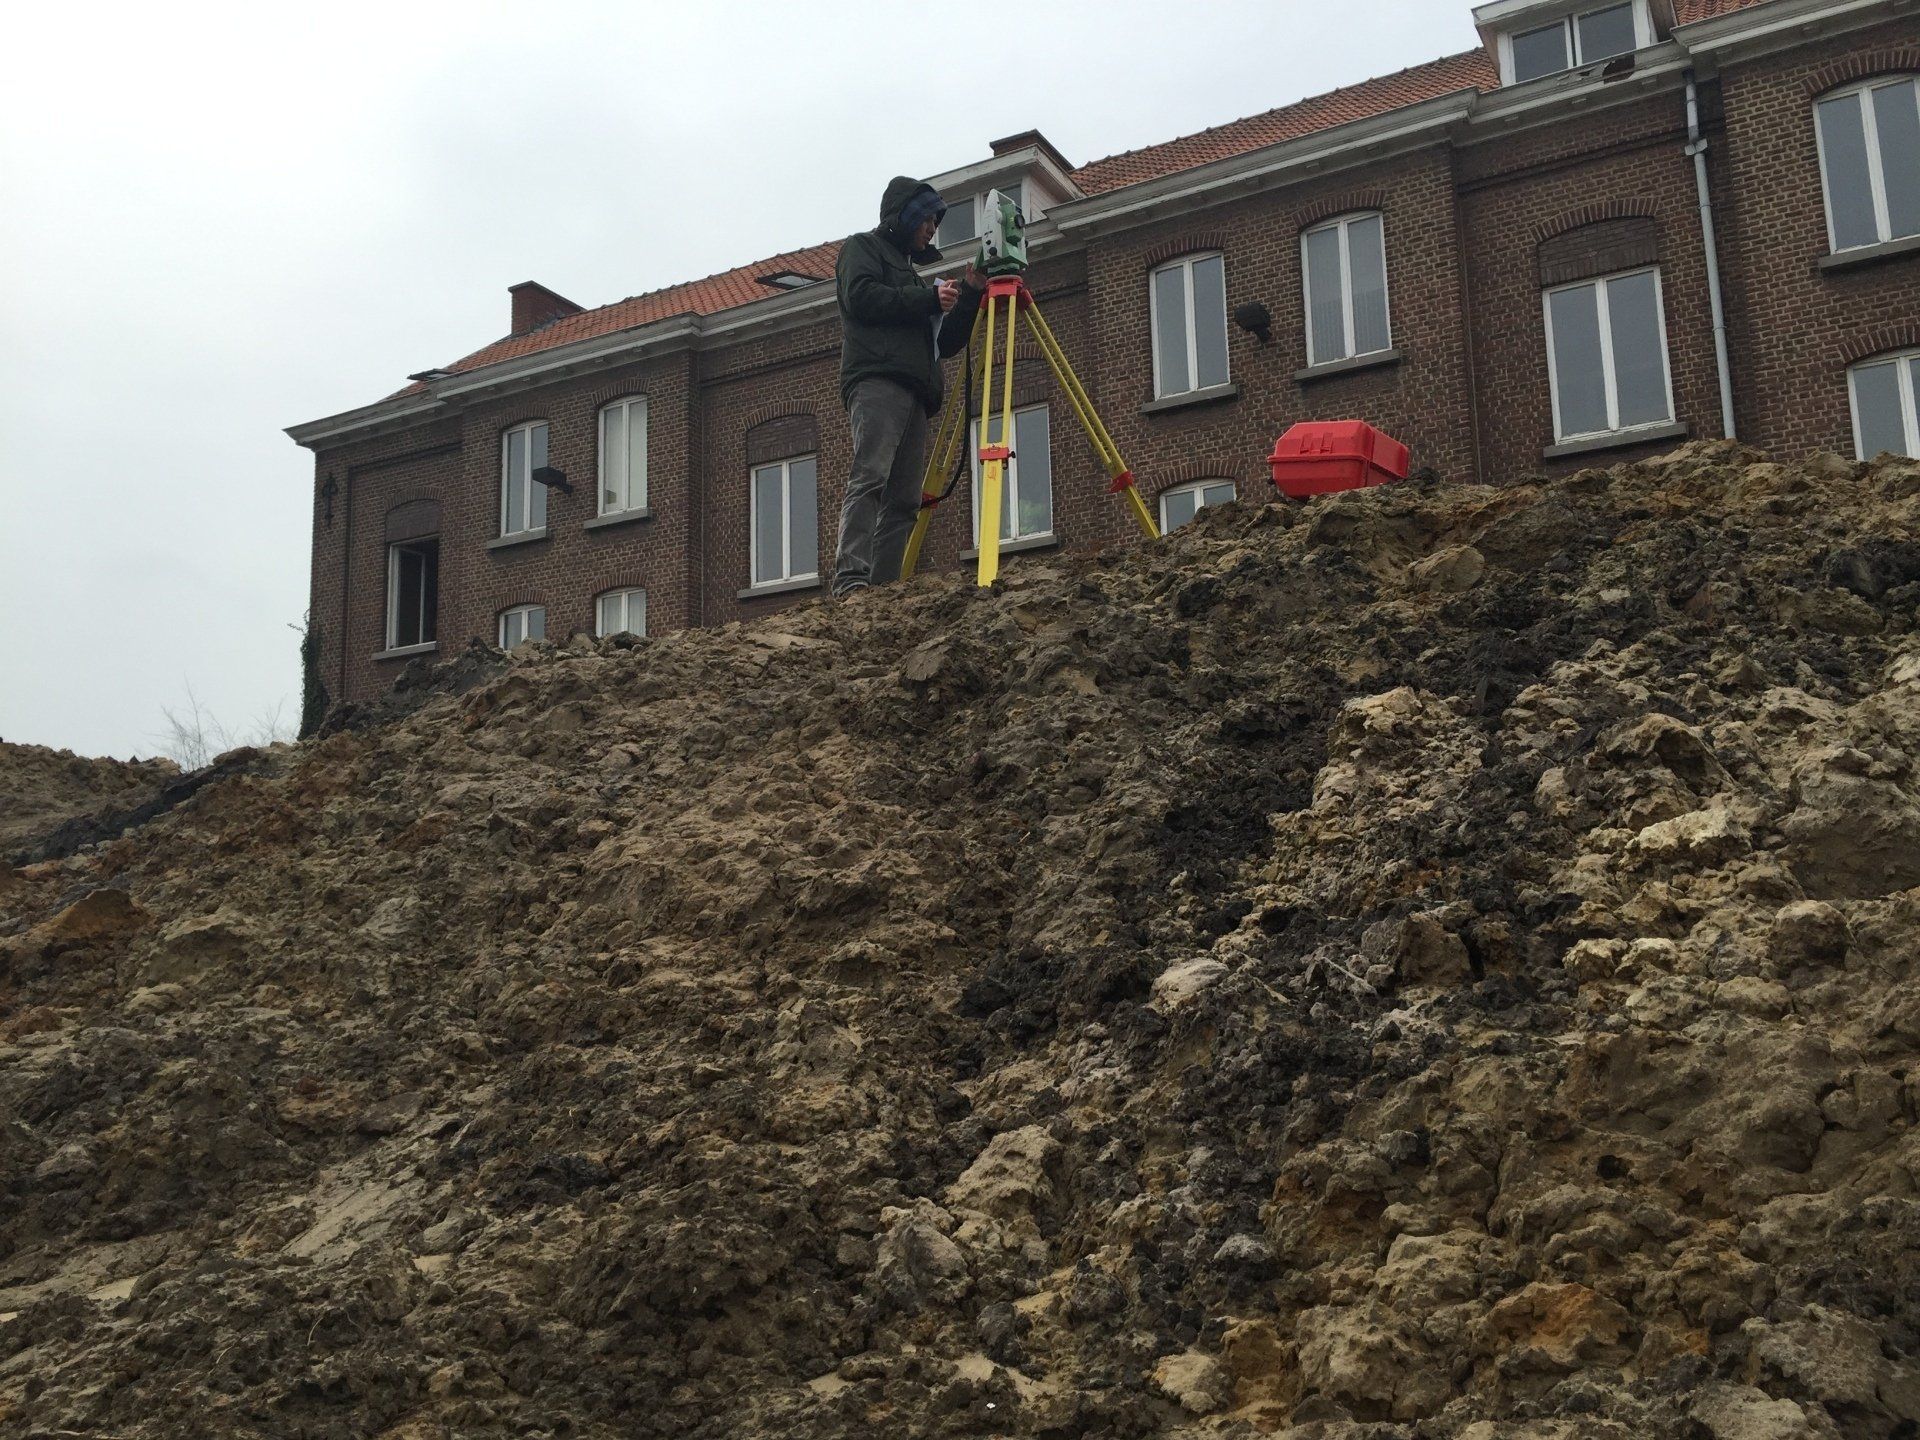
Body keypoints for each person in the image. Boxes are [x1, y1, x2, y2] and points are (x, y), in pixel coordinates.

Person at [832, 176, 986, 596]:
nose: (932, 229)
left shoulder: (916, 280)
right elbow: (862, 297)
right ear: (907, 214)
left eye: (936, 223)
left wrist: (970, 294)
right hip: (878, 380)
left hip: (916, 392)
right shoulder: (860, 248)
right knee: (871, 477)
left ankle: (881, 588)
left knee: (903, 500)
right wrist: (928, 301)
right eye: (928, 220)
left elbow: (946, 343)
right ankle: (850, 580)